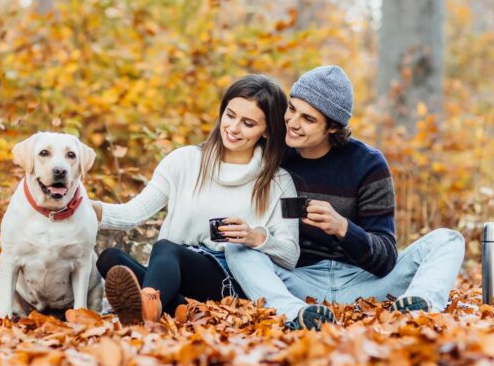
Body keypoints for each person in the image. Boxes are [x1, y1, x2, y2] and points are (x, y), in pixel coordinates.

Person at [224, 65, 465, 330]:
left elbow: (386, 258)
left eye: (308, 119)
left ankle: (420, 308)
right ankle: (297, 315)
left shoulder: (368, 164)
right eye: (292, 109)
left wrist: (343, 228)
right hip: (298, 282)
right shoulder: (274, 157)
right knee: (238, 248)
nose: (293, 122)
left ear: (333, 128)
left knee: (448, 239)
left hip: (366, 284)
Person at [91, 74, 325, 327]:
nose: (233, 128)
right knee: (110, 259)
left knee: (166, 248)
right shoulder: (183, 161)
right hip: (173, 270)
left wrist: (254, 237)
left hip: (229, 280)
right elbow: (132, 213)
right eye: (230, 115)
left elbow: (290, 254)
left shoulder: (280, 181)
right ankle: (174, 308)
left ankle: (149, 310)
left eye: (248, 123)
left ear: (267, 131)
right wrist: (84, 209)